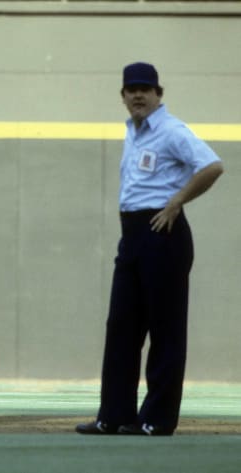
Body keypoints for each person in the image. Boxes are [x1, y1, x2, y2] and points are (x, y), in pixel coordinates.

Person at [77, 62, 224, 436]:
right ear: (123, 96)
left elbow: (211, 166)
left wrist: (176, 202)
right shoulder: (133, 130)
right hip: (133, 233)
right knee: (122, 326)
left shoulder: (171, 130)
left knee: (165, 328)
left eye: (146, 89)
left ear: (159, 94)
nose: (138, 95)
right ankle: (115, 414)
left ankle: (157, 419)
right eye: (131, 90)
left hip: (164, 232)